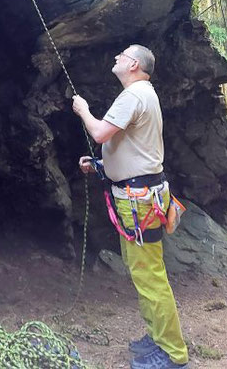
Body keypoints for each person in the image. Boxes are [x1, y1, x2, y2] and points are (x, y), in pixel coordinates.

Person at [72, 45, 189, 369]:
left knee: (150, 275)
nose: (115, 58)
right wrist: (100, 165)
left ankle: (173, 355)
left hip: (140, 202)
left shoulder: (134, 95)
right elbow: (134, 148)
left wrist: (82, 109)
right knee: (143, 273)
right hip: (139, 197)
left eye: (121, 56)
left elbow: (99, 132)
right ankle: (158, 337)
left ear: (134, 64)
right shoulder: (143, 94)